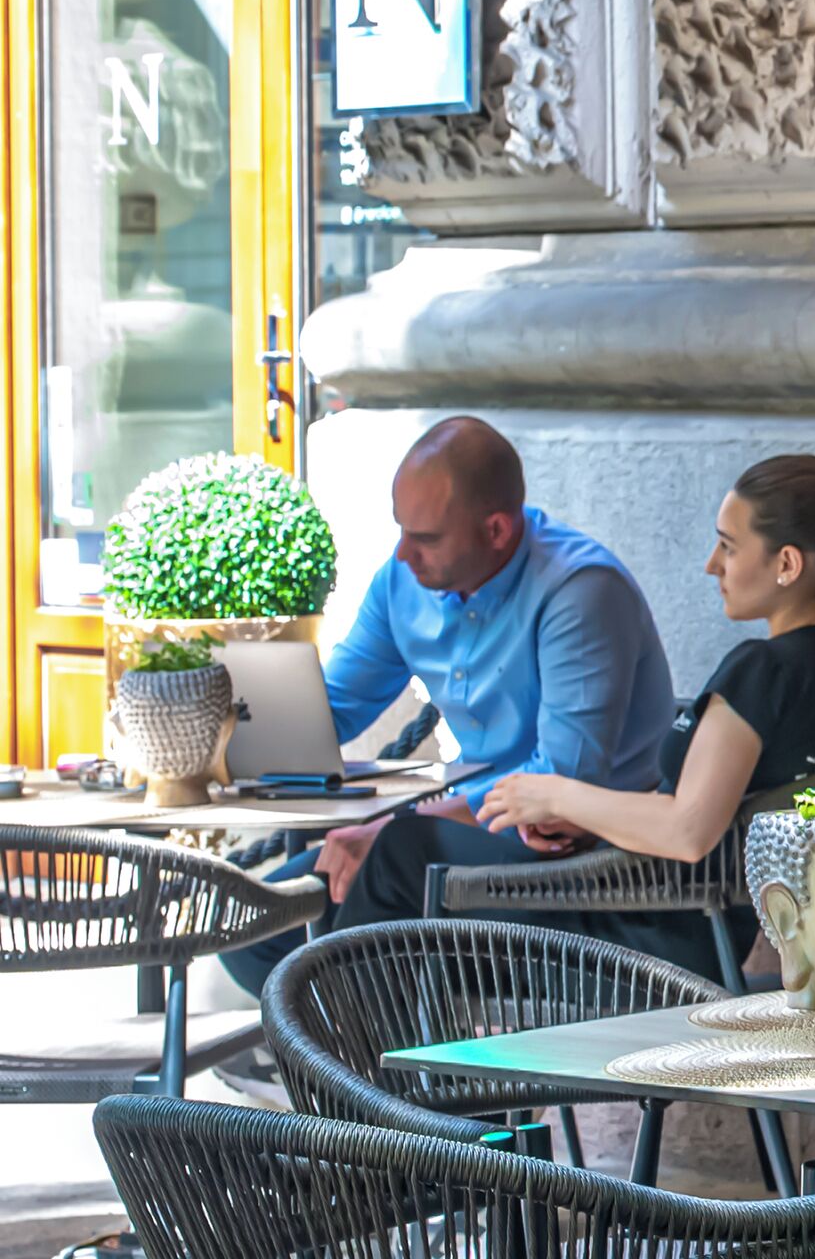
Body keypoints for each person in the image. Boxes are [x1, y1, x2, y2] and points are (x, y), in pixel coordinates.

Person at [219, 419, 672, 990]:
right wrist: (211, 726)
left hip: (581, 859)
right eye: (400, 530)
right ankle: (348, 1054)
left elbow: (561, 784)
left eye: (426, 538)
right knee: (254, 925)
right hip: (475, 837)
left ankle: (351, 1061)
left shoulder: (579, 591)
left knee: (397, 855)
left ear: (498, 530)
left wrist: (387, 828)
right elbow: (332, 709)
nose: (403, 553)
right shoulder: (401, 582)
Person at [465, 456, 815, 968]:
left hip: (650, 933)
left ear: (786, 564)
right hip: (710, 925)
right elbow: (719, 817)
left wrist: (553, 792)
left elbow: (688, 833)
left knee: (408, 854)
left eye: (729, 547)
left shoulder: (762, 672)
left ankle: (357, 1038)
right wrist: (582, 818)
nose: (712, 564)